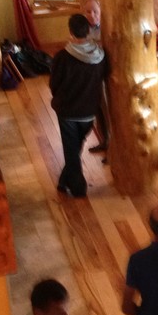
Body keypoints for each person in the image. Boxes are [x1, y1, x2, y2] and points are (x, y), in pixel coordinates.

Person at [50, 13, 109, 198]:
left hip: (67, 112)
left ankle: (78, 190)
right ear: (89, 31)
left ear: (70, 32)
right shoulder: (100, 56)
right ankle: (63, 182)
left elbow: (54, 84)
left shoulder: (62, 57)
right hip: (89, 112)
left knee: (71, 151)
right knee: (74, 148)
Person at [82, 0, 109, 155]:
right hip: (90, 74)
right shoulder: (82, 28)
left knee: (106, 109)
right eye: (88, 11)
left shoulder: (106, 28)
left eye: (95, 11)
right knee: (97, 109)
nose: (91, 15)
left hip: (104, 73)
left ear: (101, 13)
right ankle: (104, 141)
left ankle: (112, 144)